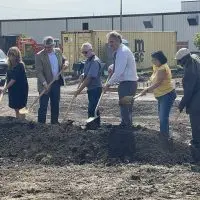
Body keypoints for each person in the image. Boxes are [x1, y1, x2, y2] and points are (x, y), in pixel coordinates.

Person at [140, 51, 176, 145]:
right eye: (152, 59)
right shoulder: (156, 66)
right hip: (161, 95)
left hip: (167, 94)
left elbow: (158, 82)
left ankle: (165, 137)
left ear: (161, 59)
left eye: (155, 59)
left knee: (163, 117)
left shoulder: (163, 68)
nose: (153, 61)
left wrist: (147, 90)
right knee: (161, 116)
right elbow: (154, 78)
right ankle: (164, 134)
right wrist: (148, 83)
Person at [103, 31, 138, 128]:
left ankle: (125, 127)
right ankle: (127, 125)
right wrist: (112, 66)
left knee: (125, 105)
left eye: (112, 42)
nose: (110, 44)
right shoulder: (121, 51)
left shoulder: (122, 52)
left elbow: (118, 72)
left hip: (127, 83)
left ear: (118, 41)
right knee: (127, 106)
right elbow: (121, 65)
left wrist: (108, 84)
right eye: (109, 42)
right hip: (129, 83)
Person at [175, 48, 200, 162]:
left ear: (184, 60)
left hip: (197, 100)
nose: (178, 63)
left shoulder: (190, 70)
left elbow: (189, 92)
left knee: (196, 126)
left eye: (179, 61)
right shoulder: (195, 58)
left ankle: (197, 153)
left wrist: (180, 106)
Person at [35, 36, 67, 124]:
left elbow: (64, 60)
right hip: (44, 84)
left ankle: (54, 123)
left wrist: (65, 64)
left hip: (56, 83)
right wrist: (45, 83)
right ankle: (41, 125)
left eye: (49, 47)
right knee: (43, 105)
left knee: (55, 104)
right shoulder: (39, 55)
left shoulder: (58, 52)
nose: (47, 49)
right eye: (45, 47)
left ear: (53, 45)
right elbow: (39, 72)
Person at [74, 42, 102, 126]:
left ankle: (92, 126)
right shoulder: (88, 61)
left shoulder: (95, 62)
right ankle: (95, 125)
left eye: (85, 52)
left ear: (91, 50)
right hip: (91, 89)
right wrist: (82, 75)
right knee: (93, 108)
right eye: (83, 52)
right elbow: (86, 73)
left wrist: (79, 90)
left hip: (95, 88)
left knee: (92, 108)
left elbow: (89, 79)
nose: (84, 54)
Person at [0, 46, 28, 119]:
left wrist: (5, 88)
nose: (11, 56)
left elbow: (13, 79)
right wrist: (4, 86)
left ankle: (22, 122)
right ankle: (18, 121)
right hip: (13, 89)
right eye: (10, 54)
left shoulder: (20, 65)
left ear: (17, 56)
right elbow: (8, 78)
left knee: (21, 107)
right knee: (15, 107)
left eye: (13, 55)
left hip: (21, 89)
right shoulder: (9, 65)